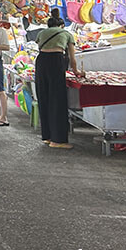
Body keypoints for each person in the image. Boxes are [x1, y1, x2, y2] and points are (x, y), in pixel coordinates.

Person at [35, 9, 81, 147]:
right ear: (61, 25)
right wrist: (77, 72)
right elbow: (73, 59)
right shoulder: (67, 34)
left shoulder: (42, 33)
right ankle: (58, 140)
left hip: (41, 62)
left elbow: (39, 47)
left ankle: (47, 136)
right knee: (57, 100)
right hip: (56, 61)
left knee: (43, 97)